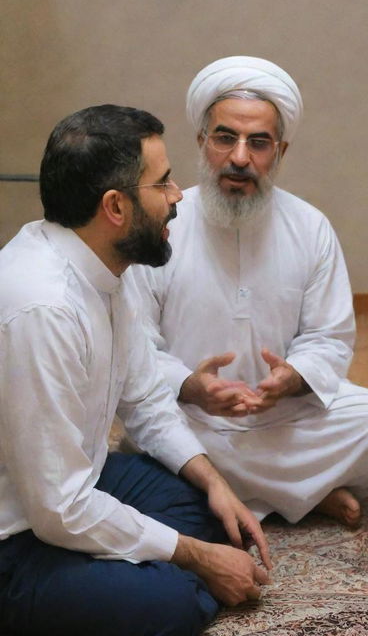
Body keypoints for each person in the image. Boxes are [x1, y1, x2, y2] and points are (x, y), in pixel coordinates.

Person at [0, 105, 272, 636]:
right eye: (163, 183)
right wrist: (197, 559)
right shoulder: (43, 308)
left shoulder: (105, 267)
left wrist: (215, 483)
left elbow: (146, 399)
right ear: (115, 207)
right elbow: (58, 509)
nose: (177, 197)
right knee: (165, 605)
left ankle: (135, 576)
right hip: (17, 535)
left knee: (199, 502)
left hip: (68, 486)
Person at [126, 56, 368, 528]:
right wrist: (192, 386)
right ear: (201, 141)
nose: (239, 157)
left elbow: (329, 337)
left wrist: (292, 378)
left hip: (280, 417)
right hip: (193, 414)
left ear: (280, 151)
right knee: (148, 430)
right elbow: (136, 347)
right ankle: (306, 493)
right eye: (225, 137)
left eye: (258, 143)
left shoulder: (310, 226)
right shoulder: (161, 221)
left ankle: (230, 487)